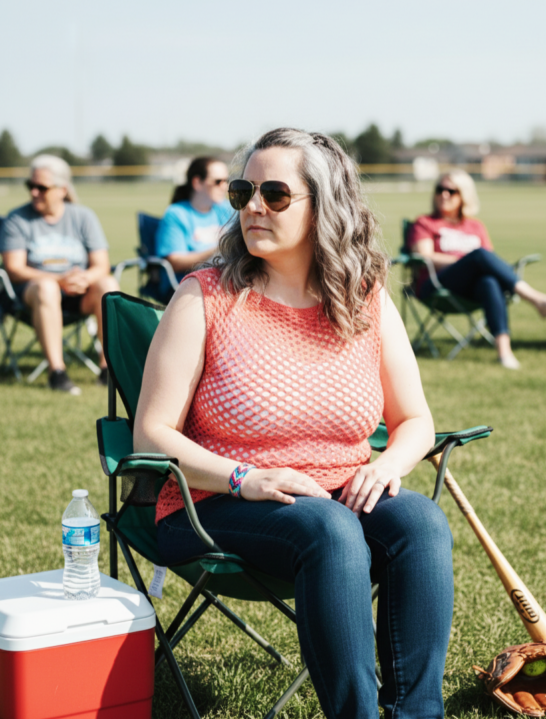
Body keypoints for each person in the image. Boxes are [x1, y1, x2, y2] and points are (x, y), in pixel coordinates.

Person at [134, 128, 454, 719]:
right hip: (213, 499)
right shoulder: (204, 296)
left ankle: (415, 713)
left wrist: (386, 466)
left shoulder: (363, 298)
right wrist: (243, 478)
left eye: (275, 194)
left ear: (323, 205)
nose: (253, 206)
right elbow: (151, 434)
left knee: (420, 522)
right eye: (243, 191)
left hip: (337, 487)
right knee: (329, 529)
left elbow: (414, 421)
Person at [0, 154, 119, 394]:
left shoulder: (83, 216)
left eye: (41, 188)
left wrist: (84, 278)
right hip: (32, 295)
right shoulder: (17, 219)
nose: (34, 192)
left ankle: (109, 369)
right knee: (47, 287)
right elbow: (13, 268)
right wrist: (58, 280)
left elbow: (101, 265)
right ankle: (57, 372)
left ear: (62, 189)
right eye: (30, 186)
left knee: (107, 283)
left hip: (79, 293)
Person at [409, 169, 546, 369]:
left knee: (489, 281)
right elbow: (424, 256)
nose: (444, 194)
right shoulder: (425, 223)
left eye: (451, 190)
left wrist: (472, 262)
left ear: (464, 195)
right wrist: (464, 261)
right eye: (439, 189)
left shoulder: (475, 226)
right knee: (479, 255)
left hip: (470, 287)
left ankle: (504, 352)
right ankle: (537, 299)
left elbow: (489, 265)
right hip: (437, 284)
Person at [155, 157, 233, 300]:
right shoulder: (176, 214)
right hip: (187, 287)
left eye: (226, 181)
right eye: (218, 182)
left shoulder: (226, 209)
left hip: (223, 283)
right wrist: (218, 250)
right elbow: (175, 262)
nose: (225, 186)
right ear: (197, 183)